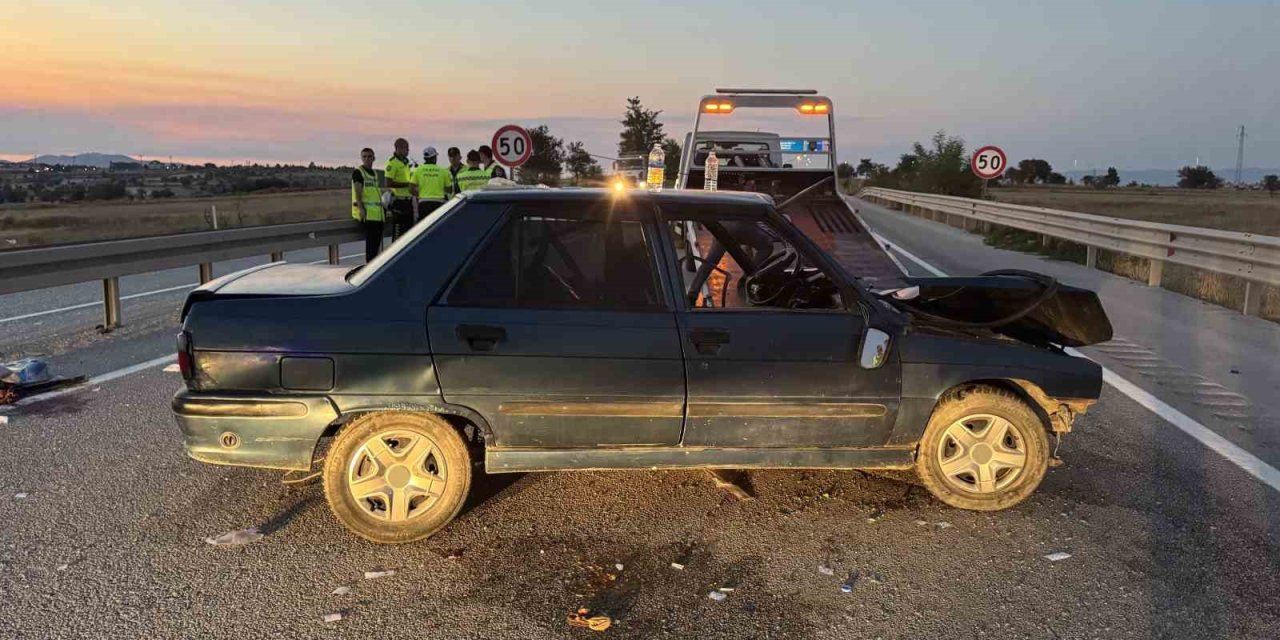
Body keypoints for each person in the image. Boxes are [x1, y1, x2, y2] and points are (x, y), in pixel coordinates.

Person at [351, 148, 385, 262]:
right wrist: (361, 209)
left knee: (375, 248)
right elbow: (358, 192)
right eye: (364, 156)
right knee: (371, 250)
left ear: (374, 158)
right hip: (368, 215)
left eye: (369, 156)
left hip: (378, 215)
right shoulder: (359, 172)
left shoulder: (374, 173)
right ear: (361, 158)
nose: (367, 159)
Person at [384, 138, 415, 240]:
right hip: (399, 202)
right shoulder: (392, 163)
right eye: (406, 148)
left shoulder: (405, 163)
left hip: (408, 201)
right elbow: (388, 183)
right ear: (399, 148)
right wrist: (407, 184)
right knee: (398, 236)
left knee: (408, 235)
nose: (408, 151)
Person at [411, 146, 449, 220]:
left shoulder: (418, 170)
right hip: (439, 203)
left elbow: (411, 188)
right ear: (434, 157)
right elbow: (449, 189)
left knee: (424, 226)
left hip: (423, 203)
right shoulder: (443, 171)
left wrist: (420, 194)